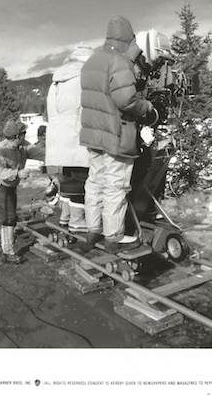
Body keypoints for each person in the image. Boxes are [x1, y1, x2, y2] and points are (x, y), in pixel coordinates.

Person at [79, 15, 159, 254]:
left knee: (95, 182)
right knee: (115, 185)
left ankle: (93, 230)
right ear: (127, 38)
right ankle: (113, 235)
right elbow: (126, 100)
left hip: (94, 136)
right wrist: (147, 108)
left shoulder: (91, 60)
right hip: (116, 134)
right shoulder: (119, 62)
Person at [46, 44, 94, 235]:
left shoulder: (56, 81)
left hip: (57, 134)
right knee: (81, 178)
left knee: (66, 176)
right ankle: (77, 220)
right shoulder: (82, 78)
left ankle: (66, 216)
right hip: (76, 132)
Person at [0, 118, 45, 264]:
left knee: (2, 214)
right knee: (9, 217)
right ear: (18, 136)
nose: (25, 135)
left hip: (9, 185)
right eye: (23, 133)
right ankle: (8, 251)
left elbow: (37, 152)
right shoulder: (1, 151)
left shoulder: (22, 146)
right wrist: (17, 174)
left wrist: (53, 156)